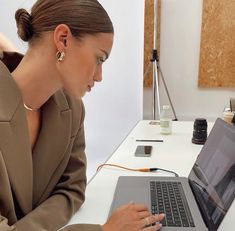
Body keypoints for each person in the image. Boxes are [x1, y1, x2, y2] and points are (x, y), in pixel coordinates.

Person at [0, 0, 165, 230]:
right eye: (99, 59)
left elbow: (72, 188)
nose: (99, 76)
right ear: (63, 39)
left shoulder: (72, 110)